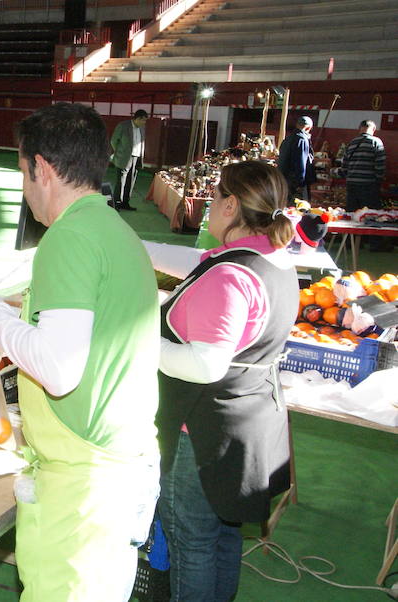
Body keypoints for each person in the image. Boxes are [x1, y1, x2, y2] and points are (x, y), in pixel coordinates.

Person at [0, 103, 161, 601]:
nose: (25, 188)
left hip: (84, 492)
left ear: (41, 168)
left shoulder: (68, 238)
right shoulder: (114, 232)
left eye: (23, 172)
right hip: (116, 468)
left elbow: (60, 370)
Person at [143, 161, 297, 601]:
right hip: (249, 422)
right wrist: (133, 245)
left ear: (230, 205)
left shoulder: (230, 277)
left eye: (213, 198)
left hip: (205, 432)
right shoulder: (271, 257)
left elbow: (205, 365)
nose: (208, 206)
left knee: (191, 540)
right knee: (223, 535)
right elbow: (199, 263)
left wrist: (136, 341)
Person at [109, 108, 149, 211]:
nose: (144, 122)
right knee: (121, 181)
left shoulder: (142, 128)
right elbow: (114, 140)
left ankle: (125, 202)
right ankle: (116, 202)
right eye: (143, 120)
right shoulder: (123, 125)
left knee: (130, 181)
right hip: (124, 157)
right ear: (137, 118)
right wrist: (119, 152)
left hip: (136, 157)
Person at [343, 120, 386, 212]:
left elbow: (344, 167)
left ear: (360, 129)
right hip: (368, 185)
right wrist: (379, 180)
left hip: (351, 185)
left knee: (352, 213)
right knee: (369, 214)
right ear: (373, 129)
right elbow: (380, 165)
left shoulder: (351, 143)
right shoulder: (376, 142)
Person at [277, 115, 315, 202]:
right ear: (308, 128)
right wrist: (300, 183)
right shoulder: (302, 139)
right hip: (294, 181)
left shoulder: (287, 139)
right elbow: (301, 163)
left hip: (284, 179)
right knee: (299, 207)